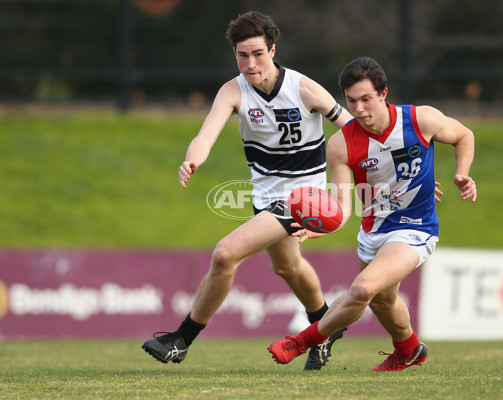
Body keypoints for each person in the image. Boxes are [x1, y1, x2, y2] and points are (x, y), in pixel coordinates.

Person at [141, 11, 353, 371]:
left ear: (273, 50)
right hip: (265, 196)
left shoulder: (304, 89)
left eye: (257, 54)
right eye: (242, 55)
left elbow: (353, 132)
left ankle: (181, 340)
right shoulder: (233, 90)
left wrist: (386, 172)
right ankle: (325, 326)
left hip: (302, 197)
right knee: (288, 267)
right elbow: (206, 134)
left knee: (225, 254)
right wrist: (192, 160)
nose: (250, 63)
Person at [268, 56, 477, 372]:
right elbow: (342, 203)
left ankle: (301, 342)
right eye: (351, 101)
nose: (359, 109)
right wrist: (322, 223)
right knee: (382, 300)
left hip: (415, 228)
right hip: (373, 230)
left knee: (364, 289)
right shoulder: (341, 143)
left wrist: (462, 173)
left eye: (366, 99)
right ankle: (408, 349)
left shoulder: (421, 120)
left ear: (383, 94)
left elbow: (464, 136)